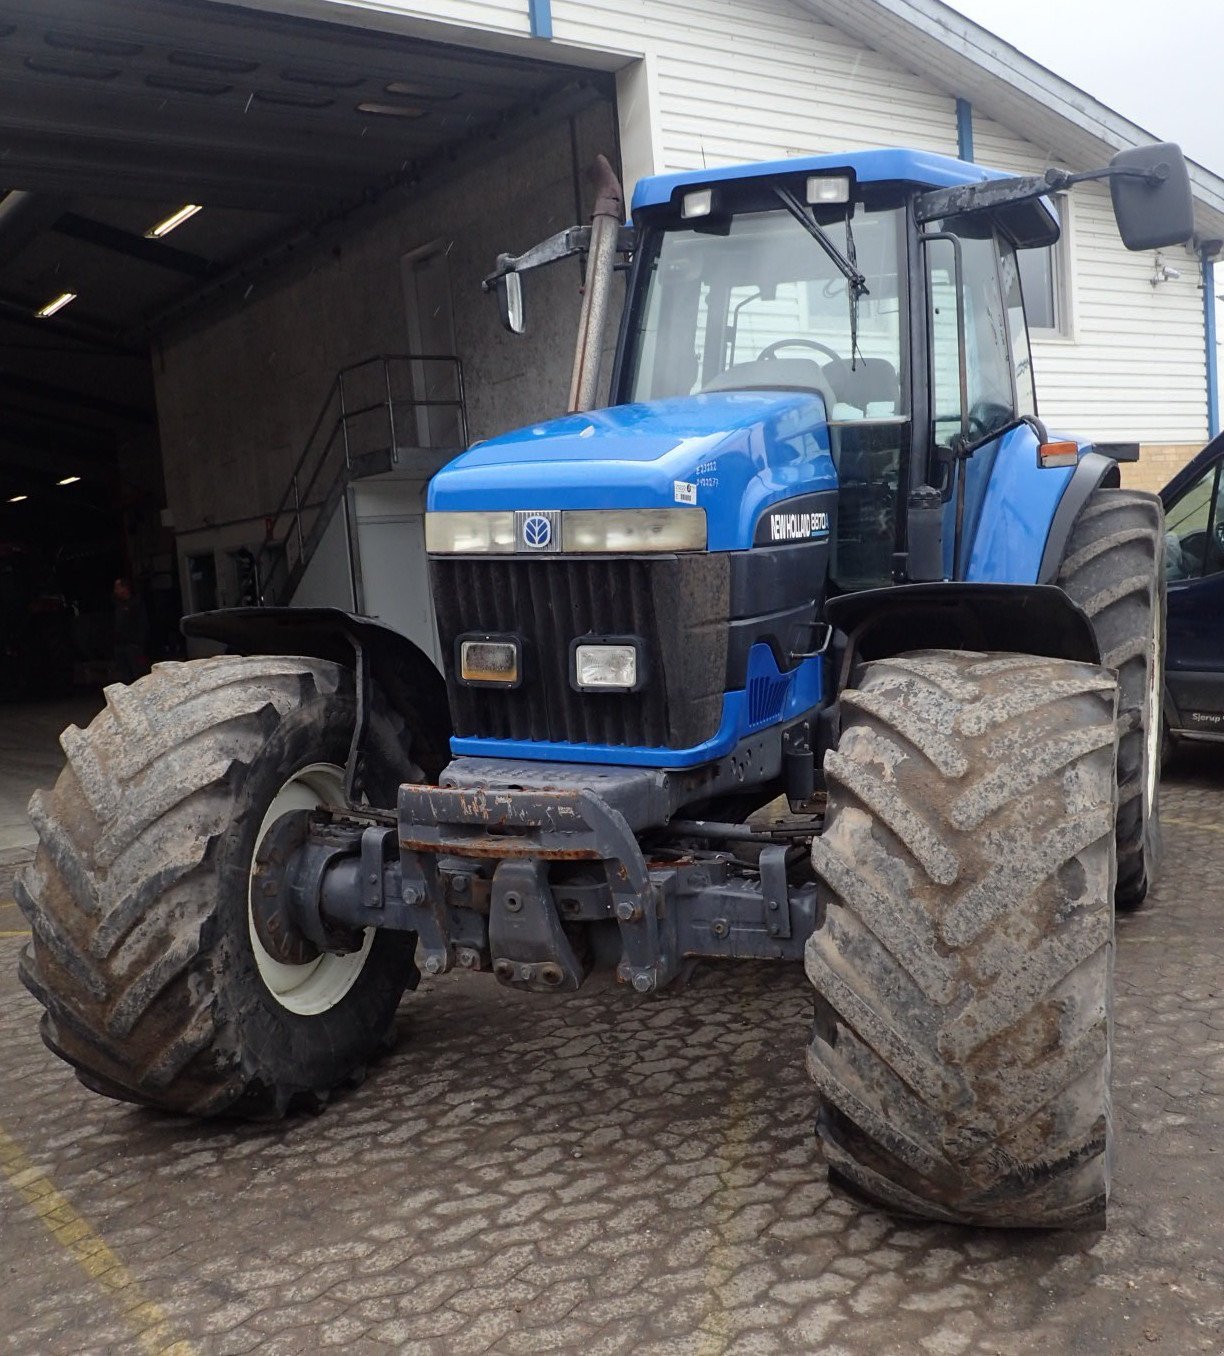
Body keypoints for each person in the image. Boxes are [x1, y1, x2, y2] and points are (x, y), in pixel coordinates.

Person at [113, 576, 149, 684]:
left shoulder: (136, 604)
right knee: (126, 676)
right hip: (121, 645)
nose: (115, 591)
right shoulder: (118, 606)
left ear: (125, 588)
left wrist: (138, 642)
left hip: (133, 645)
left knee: (139, 675)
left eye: (117, 588)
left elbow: (142, 624)